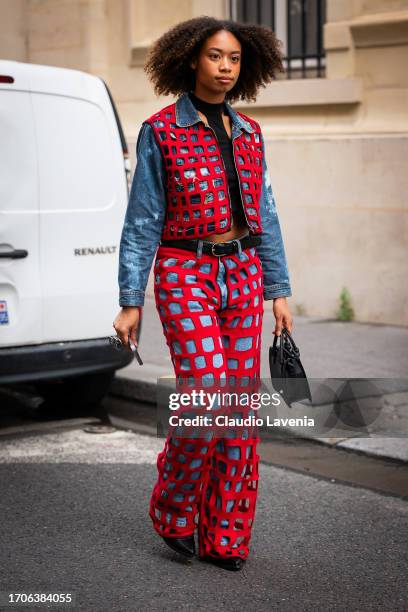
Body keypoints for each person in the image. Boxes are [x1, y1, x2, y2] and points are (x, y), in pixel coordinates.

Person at [113, 16, 293, 571]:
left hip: (242, 272)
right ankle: (173, 505)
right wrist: (130, 297)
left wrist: (279, 289)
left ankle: (224, 536)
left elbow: (264, 214)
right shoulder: (161, 131)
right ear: (192, 59)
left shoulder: (250, 133)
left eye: (235, 59)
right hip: (183, 269)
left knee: (238, 412)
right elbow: (143, 219)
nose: (225, 68)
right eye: (216, 57)